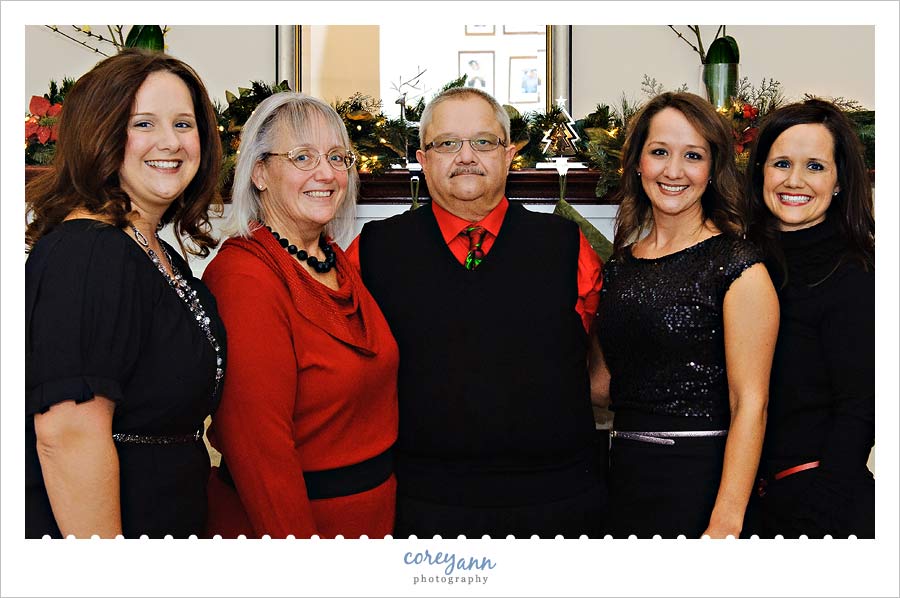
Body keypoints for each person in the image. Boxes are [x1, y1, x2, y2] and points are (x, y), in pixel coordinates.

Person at [346, 86, 606, 539]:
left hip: (557, 500)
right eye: (447, 143)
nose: (466, 156)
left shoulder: (567, 246)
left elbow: (597, 364)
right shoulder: (371, 252)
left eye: (483, 142)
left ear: (509, 156)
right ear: (422, 160)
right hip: (422, 505)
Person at [25, 49, 225, 538]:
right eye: (143, 123)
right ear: (100, 133)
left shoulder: (151, 249)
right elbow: (67, 437)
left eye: (183, 124)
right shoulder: (89, 255)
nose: (169, 142)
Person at [202, 92, 399, 539]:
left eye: (336, 157)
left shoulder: (333, 259)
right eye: (302, 157)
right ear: (259, 172)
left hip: (370, 522)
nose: (326, 173)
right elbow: (259, 451)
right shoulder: (244, 277)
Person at [590, 91, 779, 538]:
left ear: (712, 169)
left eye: (692, 155)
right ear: (638, 163)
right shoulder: (620, 266)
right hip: (624, 477)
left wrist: (727, 521)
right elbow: (602, 387)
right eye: (660, 152)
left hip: (702, 482)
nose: (673, 171)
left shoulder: (739, 265)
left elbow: (751, 403)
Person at [743, 99, 875, 538]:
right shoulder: (743, 265)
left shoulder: (855, 274)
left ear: (839, 181)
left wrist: (815, 523)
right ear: (761, 170)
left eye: (815, 166)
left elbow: (859, 411)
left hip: (822, 510)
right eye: (782, 163)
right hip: (755, 503)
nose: (794, 180)